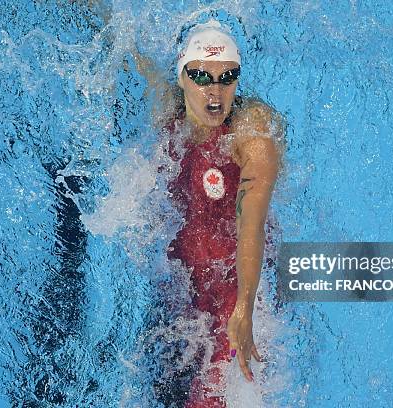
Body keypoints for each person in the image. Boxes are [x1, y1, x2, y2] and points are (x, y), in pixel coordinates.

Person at [135, 18, 284, 407]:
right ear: (182, 77)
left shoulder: (252, 131)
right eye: (201, 76)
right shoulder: (167, 110)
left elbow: (250, 225)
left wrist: (244, 307)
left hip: (233, 308)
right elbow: (129, 54)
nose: (215, 91)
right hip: (179, 298)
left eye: (228, 76)